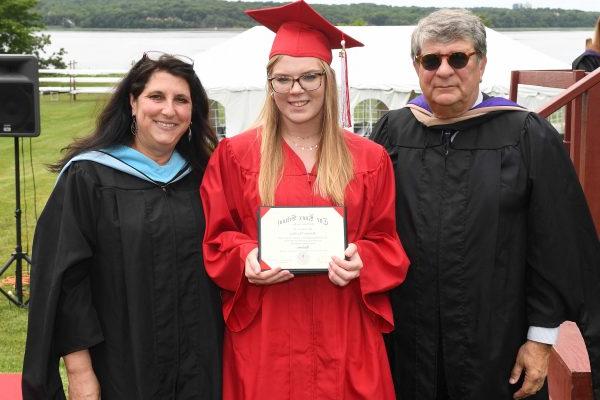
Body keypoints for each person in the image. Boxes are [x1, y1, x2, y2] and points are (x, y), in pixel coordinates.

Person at [371, 9, 600, 400]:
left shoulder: (526, 133)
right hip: (406, 342)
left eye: (458, 58)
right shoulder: (392, 131)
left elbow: (557, 244)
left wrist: (541, 340)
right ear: (417, 66)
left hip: (498, 345)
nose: (444, 71)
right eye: (431, 60)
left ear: (481, 63)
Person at [200, 1, 410, 398]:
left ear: (328, 80)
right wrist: (244, 256)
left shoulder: (370, 159)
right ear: (270, 84)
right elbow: (217, 238)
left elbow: (389, 244)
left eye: (310, 77)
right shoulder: (236, 155)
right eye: (283, 79)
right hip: (267, 337)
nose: (296, 91)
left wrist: (363, 258)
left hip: (344, 332)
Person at [22, 52, 223, 399]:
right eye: (156, 97)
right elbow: (67, 283)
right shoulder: (88, 177)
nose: (168, 110)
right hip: (119, 367)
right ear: (133, 102)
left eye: (181, 100)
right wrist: (81, 372)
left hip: (199, 366)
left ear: (193, 113)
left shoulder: (205, 178)